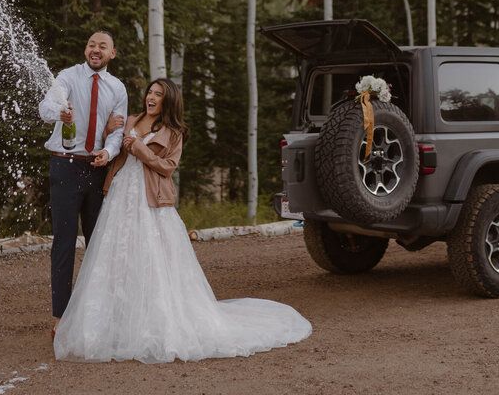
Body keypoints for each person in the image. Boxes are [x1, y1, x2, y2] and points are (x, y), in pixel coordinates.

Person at [53, 78, 312, 363]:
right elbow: (109, 148)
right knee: (116, 257)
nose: (151, 97)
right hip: (119, 197)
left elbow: (167, 167)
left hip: (151, 201)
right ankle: (111, 322)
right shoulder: (129, 119)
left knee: (153, 259)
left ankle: (151, 321)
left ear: (169, 101)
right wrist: (107, 131)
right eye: (150, 92)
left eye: (158, 94)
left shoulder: (173, 132)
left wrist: (139, 148)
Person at [37, 31, 127, 336]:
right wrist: (60, 113)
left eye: (103, 46)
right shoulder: (67, 77)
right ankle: (61, 318)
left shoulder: (117, 88)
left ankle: (96, 314)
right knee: (63, 243)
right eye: (91, 44)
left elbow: (118, 130)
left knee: (98, 245)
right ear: (85, 49)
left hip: (98, 170)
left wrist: (109, 150)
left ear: (112, 54)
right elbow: (45, 108)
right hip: (65, 166)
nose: (96, 49)